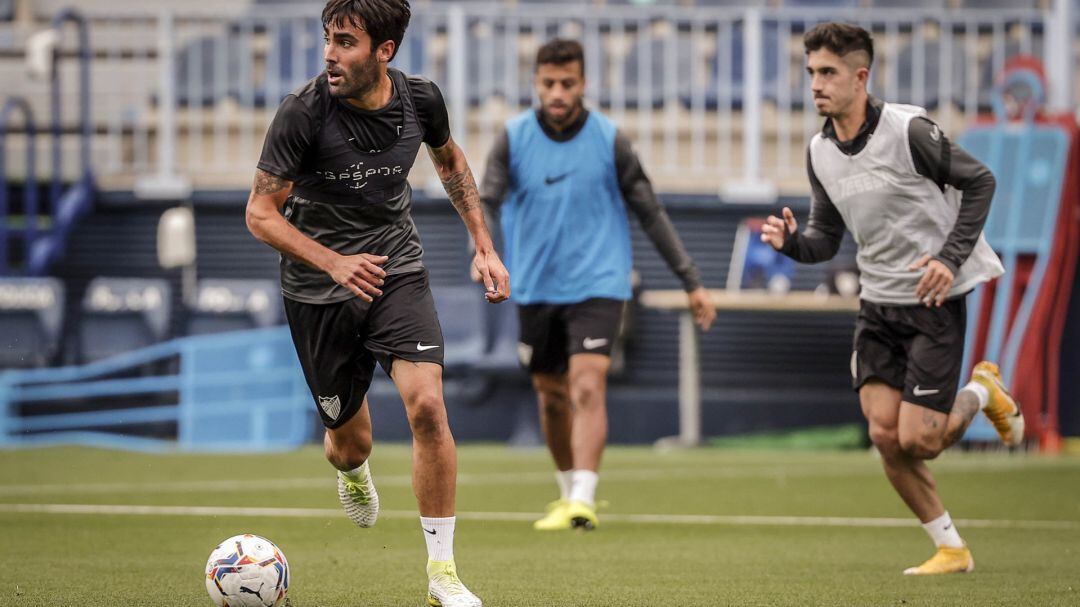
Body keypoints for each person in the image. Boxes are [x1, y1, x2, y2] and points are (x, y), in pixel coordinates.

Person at [245, 1, 507, 604]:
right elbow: (260, 215)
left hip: (396, 268)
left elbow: (451, 162)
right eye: (327, 40)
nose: (330, 55)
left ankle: (443, 575)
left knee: (427, 408)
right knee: (348, 442)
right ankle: (354, 471)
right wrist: (334, 261)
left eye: (345, 43)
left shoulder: (422, 100)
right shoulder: (301, 114)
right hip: (318, 288)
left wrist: (484, 246)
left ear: (384, 51)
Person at [761, 22, 1025, 575]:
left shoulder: (909, 131)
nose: (816, 85)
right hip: (877, 303)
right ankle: (951, 548)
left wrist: (948, 259)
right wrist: (792, 247)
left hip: (934, 300)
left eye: (828, 72)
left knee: (920, 439)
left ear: (861, 77)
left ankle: (982, 391)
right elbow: (826, 240)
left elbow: (981, 182)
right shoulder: (819, 151)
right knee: (884, 433)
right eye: (811, 73)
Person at [479, 38, 716, 532]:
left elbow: (650, 212)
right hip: (536, 287)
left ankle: (584, 498)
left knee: (587, 384)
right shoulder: (513, 137)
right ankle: (567, 494)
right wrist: (482, 249)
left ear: (584, 83)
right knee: (550, 394)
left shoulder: (610, 139)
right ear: (536, 84)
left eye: (568, 83)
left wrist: (690, 279)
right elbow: (488, 201)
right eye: (549, 83)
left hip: (599, 282)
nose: (558, 92)